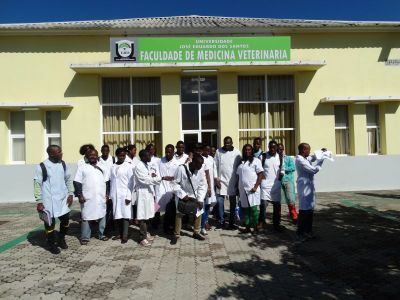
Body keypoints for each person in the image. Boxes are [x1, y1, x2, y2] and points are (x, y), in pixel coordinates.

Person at [34, 145, 74, 254]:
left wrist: (70, 194)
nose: (62, 153)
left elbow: (68, 179)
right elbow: (37, 184)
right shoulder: (42, 166)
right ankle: (51, 245)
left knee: (65, 221)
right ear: (51, 154)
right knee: (49, 224)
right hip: (49, 201)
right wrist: (39, 201)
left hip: (63, 199)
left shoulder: (63, 164)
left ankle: (61, 239)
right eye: (59, 152)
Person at [74, 149, 110, 245]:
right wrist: (80, 195)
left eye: (94, 155)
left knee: (102, 215)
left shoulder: (103, 167)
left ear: (97, 156)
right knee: (86, 216)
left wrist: (107, 194)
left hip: (101, 196)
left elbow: (107, 182)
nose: (92, 156)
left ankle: (101, 234)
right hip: (87, 197)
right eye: (90, 155)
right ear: (87, 156)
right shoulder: (82, 167)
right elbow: (77, 182)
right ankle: (85, 237)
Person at [171, 153, 207, 245]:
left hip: (194, 195)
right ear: (193, 162)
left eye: (202, 164)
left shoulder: (200, 171)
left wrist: (200, 199)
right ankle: (176, 234)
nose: (200, 166)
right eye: (199, 164)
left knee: (199, 212)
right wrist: (183, 195)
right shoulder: (181, 169)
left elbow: (202, 185)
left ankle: (196, 232)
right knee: (179, 213)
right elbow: (174, 184)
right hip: (182, 194)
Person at [295, 143, 324, 242]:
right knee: (304, 211)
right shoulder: (300, 160)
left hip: (309, 188)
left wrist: (321, 152)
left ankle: (308, 231)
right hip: (304, 188)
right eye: (308, 150)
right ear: (303, 150)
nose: (309, 152)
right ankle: (300, 232)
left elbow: (312, 157)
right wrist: (321, 160)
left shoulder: (305, 158)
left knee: (310, 210)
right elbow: (313, 170)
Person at [134, 150, 162, 246]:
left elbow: (148, 176)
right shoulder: (139, 166)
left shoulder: (146, 165)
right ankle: (142, 238)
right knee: (142, 216)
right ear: (143, 157)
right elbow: (145, 180)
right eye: (148, 155)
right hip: (142, 194)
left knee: (148, 214)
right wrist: (159, 178)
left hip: (149, 193)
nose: (151, 156)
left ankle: (146, 233)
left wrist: (152, 175)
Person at [214, 136, 241, 229]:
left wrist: (238, 183)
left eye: (228, 143)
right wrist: (216, 178)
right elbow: (215, 166)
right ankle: (221, 221)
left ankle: (231, 222)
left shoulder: (237, 152)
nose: (226, 144)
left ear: (232, 143)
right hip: (220, 181)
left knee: (233, 203)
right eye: (225, 143)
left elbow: (239, 167)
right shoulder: (218, 151)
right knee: (219, 202)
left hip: (233, 182)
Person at [236, 144, 264, 234]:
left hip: (252, 189)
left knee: (253, 209)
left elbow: (260, 175)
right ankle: (247, 227)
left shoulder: (256, 161)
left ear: (252, 151)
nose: (247, 151)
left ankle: (256, 228)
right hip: (242, 189)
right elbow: (238, 176)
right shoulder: (241, 162)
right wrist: (238, 189)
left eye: (249, 150)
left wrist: (256, 187)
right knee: (246, 209)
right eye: (245, 150)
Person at [109, 147, 134, 243]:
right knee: (118, 215)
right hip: (115, 194)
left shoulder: (128, 166)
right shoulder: (113, 166)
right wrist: (111, 195)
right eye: (120, 155)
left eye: (124, 155)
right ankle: (120, 233)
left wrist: (129, 196)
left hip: (125, 194)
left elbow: (131, 183)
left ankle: (125, 235)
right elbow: (111, 181)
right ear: (117, 155)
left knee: (125, 215)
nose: (122, 157)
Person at [260, 140, 285, 231]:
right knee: (263, 205)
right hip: (265, 186)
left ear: (277, 148)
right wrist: (262, 179)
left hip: (276, 185)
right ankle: (262, 223)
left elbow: (282, 169)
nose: (272, 149)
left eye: (274, 147)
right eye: (270, 147)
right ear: (268, 147)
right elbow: (259, 169)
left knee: (277, 206)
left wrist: (279, 179)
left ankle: (276, 225)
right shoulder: (263, 156)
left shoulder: (280, 157)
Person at [157, 144, 179, 234]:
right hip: (161, 186)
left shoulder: (177, 163)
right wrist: (161, 177)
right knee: (156, 206)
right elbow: (156, 172)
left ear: (173, 152)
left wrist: (172, 178)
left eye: (170, 152)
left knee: (171, 209)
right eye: (166, 152)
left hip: (172, 187)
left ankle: (170, 227)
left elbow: (179, 176)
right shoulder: (160, 161)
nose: (168, 154)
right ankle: (155, 223)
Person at [277, 143, 298, 224]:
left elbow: (293, 168)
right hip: (278, 182)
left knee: (290, 199)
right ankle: (278, 218)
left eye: (281, 149)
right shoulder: (275, 159)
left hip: (288, 181)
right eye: (278, 149)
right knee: (278, 201)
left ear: (283, 149)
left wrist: (283, 168)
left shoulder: (288, 158)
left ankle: (294, 217)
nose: (280, 151)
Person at [98, 144, 115, 237]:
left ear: (109, 151)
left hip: (111, 183)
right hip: (101, 184)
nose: (105, 152)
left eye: (106, 150)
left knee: (110, 205)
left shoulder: (113, 159)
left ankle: (110, 225)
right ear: (101, 151)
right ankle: (103, 226)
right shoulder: (98, 159)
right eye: (103, 150)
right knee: (103, 205)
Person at [200, 143, 217, 235]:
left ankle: (206, 221)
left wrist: (216, 179)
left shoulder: (211, 159)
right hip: (202, 185)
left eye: (208, 150)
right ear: (203, 150)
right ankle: (202, 224)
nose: (207, 151)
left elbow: (214, 171)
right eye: (205, 150)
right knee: (202, 205)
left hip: (210, 184)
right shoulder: (199, 158)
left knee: (207, 205)